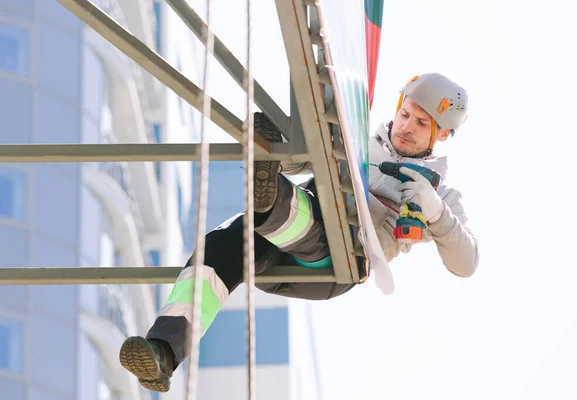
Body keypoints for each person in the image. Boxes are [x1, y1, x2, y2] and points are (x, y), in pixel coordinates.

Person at [118, 72, 479, 392]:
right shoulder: (354, 142)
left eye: (420, 123)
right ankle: (163, 351)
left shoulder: (440, 193)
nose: (405, 127)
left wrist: (435, 212)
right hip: (281, 248)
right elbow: (299, 161)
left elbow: (466, 262)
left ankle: (272, 200)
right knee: (220, 247)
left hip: (338, 263)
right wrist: (282, 143)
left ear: (441, 134)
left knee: (299, 213)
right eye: (405, 114)